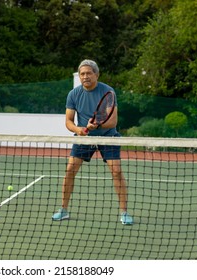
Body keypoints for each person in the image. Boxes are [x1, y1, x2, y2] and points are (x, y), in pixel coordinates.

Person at [52, 59, 133, 225]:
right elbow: (68, 121)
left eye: (89, 73)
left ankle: (124, 213)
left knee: (116, 171)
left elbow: (113, 121)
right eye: (82, 74)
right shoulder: (73, 94)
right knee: (70, 170)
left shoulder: (107, 92)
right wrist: (79, 130)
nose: (85, 76)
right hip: (84, 137)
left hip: (108, 136)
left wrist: (98, 124)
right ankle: (63, 210)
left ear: (96, 74)